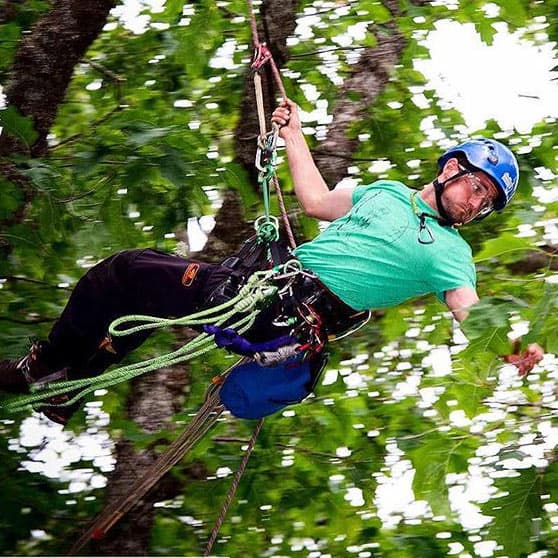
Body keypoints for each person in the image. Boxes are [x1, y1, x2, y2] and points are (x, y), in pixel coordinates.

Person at [0, 99, 543, 424]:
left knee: (130, 276)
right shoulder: (385, 191)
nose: (476, 202)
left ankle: (55, 371)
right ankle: (63, 378)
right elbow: (315, 201)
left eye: (487, 201)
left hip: (285, 314)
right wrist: (295, 135)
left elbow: (470, 311)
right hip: (259, 285)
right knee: (129, 280)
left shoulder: (452, 256)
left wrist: (513, 352)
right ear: (449, 168)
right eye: (476, 185)